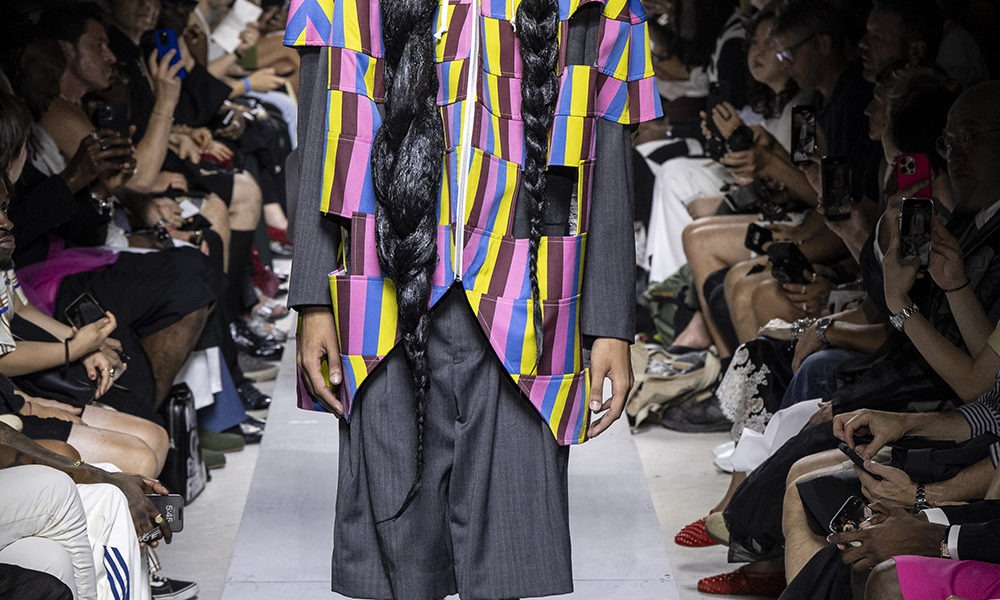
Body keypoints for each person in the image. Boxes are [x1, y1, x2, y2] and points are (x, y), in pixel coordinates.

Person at [285, 0, 657, 594]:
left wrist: (610, 322)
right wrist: (311, 300)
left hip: (530, 293)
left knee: (509, 550)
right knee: (397, 551)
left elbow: (608, 143)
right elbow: (321, 126)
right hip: (382, 285)